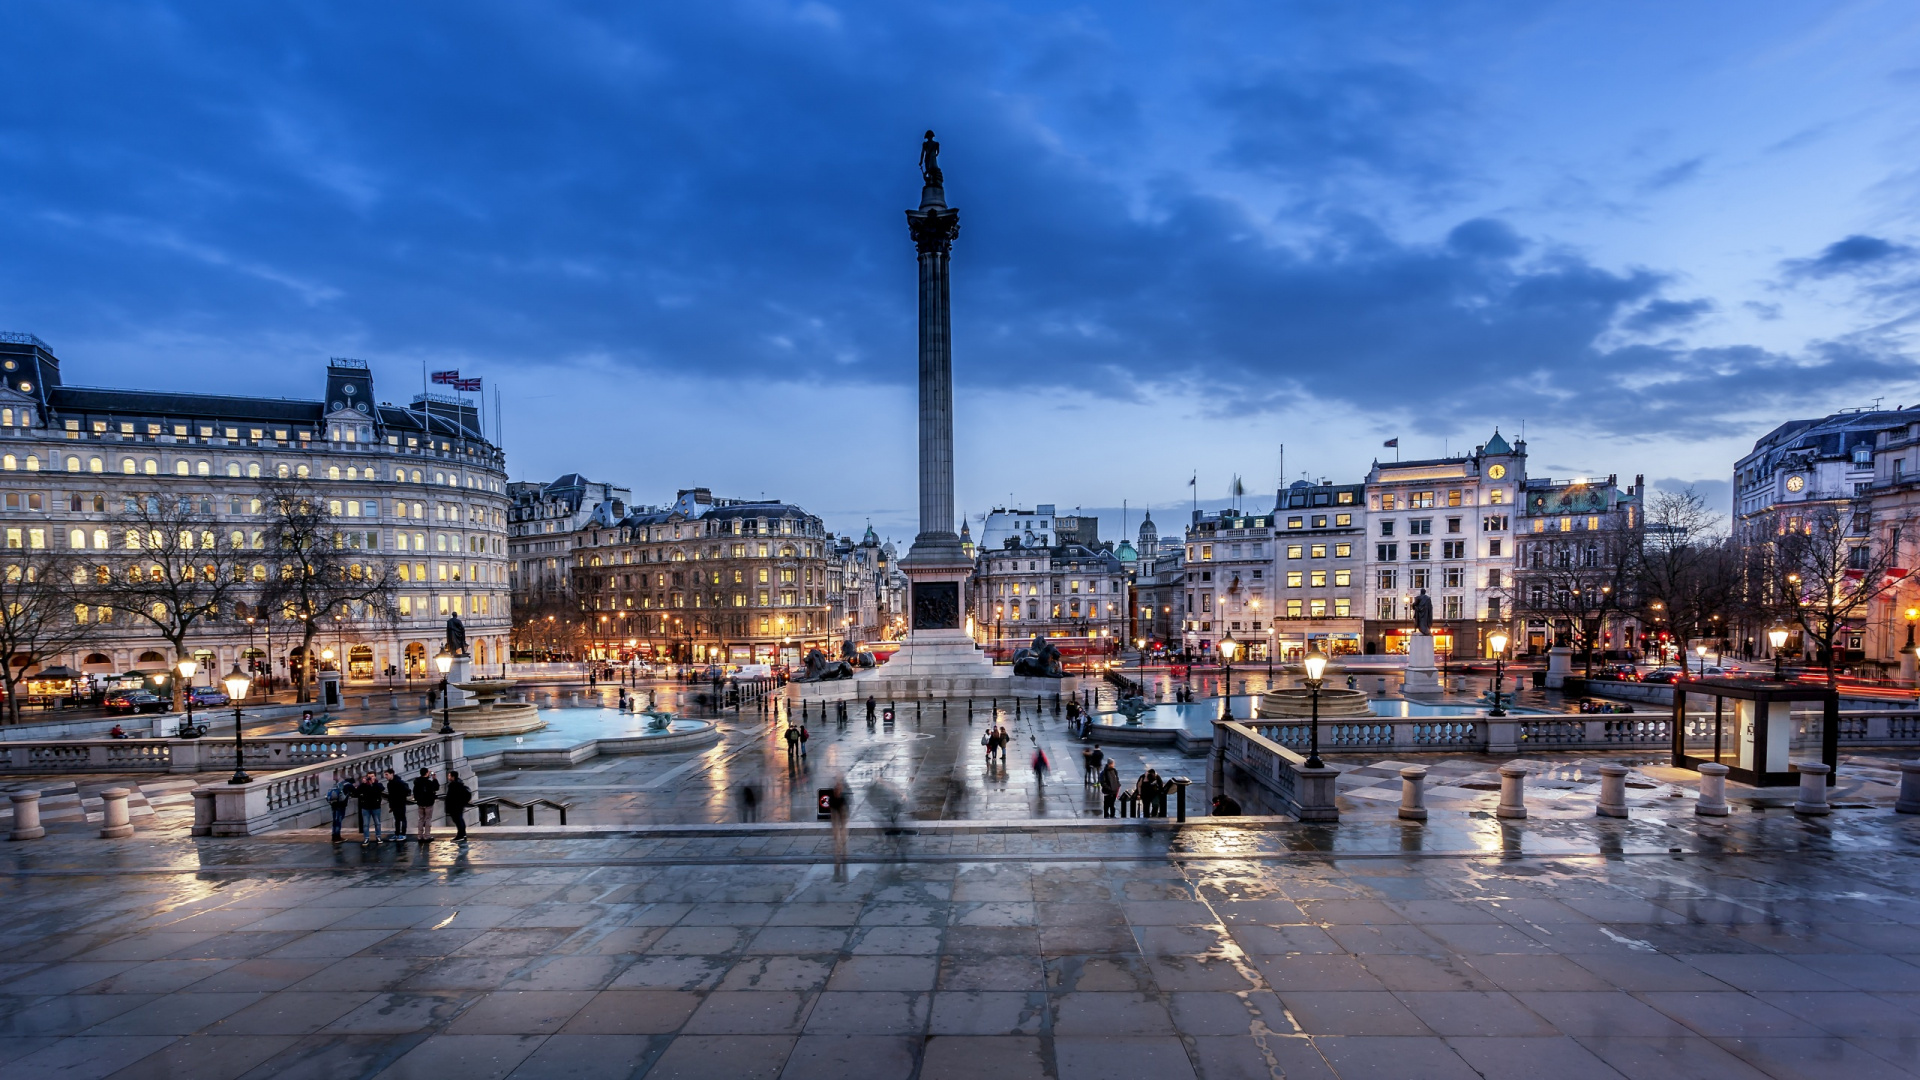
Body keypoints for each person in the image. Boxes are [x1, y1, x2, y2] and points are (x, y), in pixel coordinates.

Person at [828, 776, 851, 881]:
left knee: (843, 833)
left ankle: (843, 851)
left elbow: (846, 808)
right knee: (837, 835)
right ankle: (838, 856)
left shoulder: (843, 795)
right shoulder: (833, 795)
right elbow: (832, 811)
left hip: (842, 810)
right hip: (836, 811)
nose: (838, 789)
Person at [355, 771, 385, 844]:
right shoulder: (364, 785)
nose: (371, 778)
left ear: (375, 777)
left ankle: (378, 837)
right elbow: (357, 792)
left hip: (376, 807)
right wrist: (363, 783)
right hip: (366, 807)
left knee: (377, 823)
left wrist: (374, 783)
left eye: (372, 776)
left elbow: (382, 789)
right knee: (365, 824)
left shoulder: (378, 784)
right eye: (369, 776)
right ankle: (366, 838)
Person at [411, 767, 440, 841]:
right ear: (427, 773)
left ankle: (419, 836)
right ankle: (427, 836)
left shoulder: (417, 782)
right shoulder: (429, 782)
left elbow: (415, 792)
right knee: (428, 819)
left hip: (420, 803)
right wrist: (434, 778)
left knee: (421, 819)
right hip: (428, 803)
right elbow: (436, 787)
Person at [384, 769, 411, 844]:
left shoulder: (400, 782)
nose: (385, 776)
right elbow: (390, 796)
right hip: (395, 804)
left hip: (400, 803)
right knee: (397, 819)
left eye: (387, 774)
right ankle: (397, 833)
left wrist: (401, 797)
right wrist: (391, 806)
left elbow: (407, 791)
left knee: (402, 818)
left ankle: (403, 834)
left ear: (391, 774)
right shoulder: (389, 784)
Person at [443, 770, 471, 841]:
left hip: (455, 806)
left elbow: (452, 797)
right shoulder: (459, 783)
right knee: (460, 820)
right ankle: (463, 834)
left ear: (453, 777)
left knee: (458, 820)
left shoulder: (454, 785)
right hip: (459, 806)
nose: (448, 777)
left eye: (449, 776)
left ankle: (460, 835)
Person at [325, 776, 352, 842]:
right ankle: (337, 837)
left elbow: (327, 796)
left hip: (333, 805)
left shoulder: (336, 785)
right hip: (340, 806)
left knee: (335, 821)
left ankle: (334, 836)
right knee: (338, 821)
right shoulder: (348, 785)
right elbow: (355, 791)